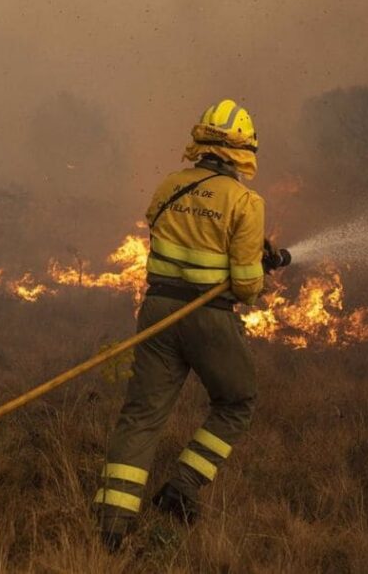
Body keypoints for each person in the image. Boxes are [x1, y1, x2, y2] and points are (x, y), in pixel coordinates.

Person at [94, 99, 274, 552]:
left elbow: (165, 237)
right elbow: (247, 286)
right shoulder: (245, 201)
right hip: (208, 319)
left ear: (200, 141)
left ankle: (112, 526)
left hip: (157, 312)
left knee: (142, 414)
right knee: (237, 400)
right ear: (243, 151)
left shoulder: (169, 186)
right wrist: (259, 264)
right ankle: (182, 487)